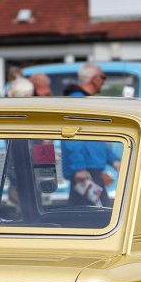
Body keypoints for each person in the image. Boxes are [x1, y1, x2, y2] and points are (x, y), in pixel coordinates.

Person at [60, 63, 118, 206]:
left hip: (91, 166)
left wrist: (113, 159)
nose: (103, 82)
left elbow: (95, 137)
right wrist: (79, 167)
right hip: (86, 168)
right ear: (94, 79)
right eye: (103, 77)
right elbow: (71, 135)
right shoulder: (77, 102)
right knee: (98, 213)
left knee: (82, 212)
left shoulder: (85, 101)